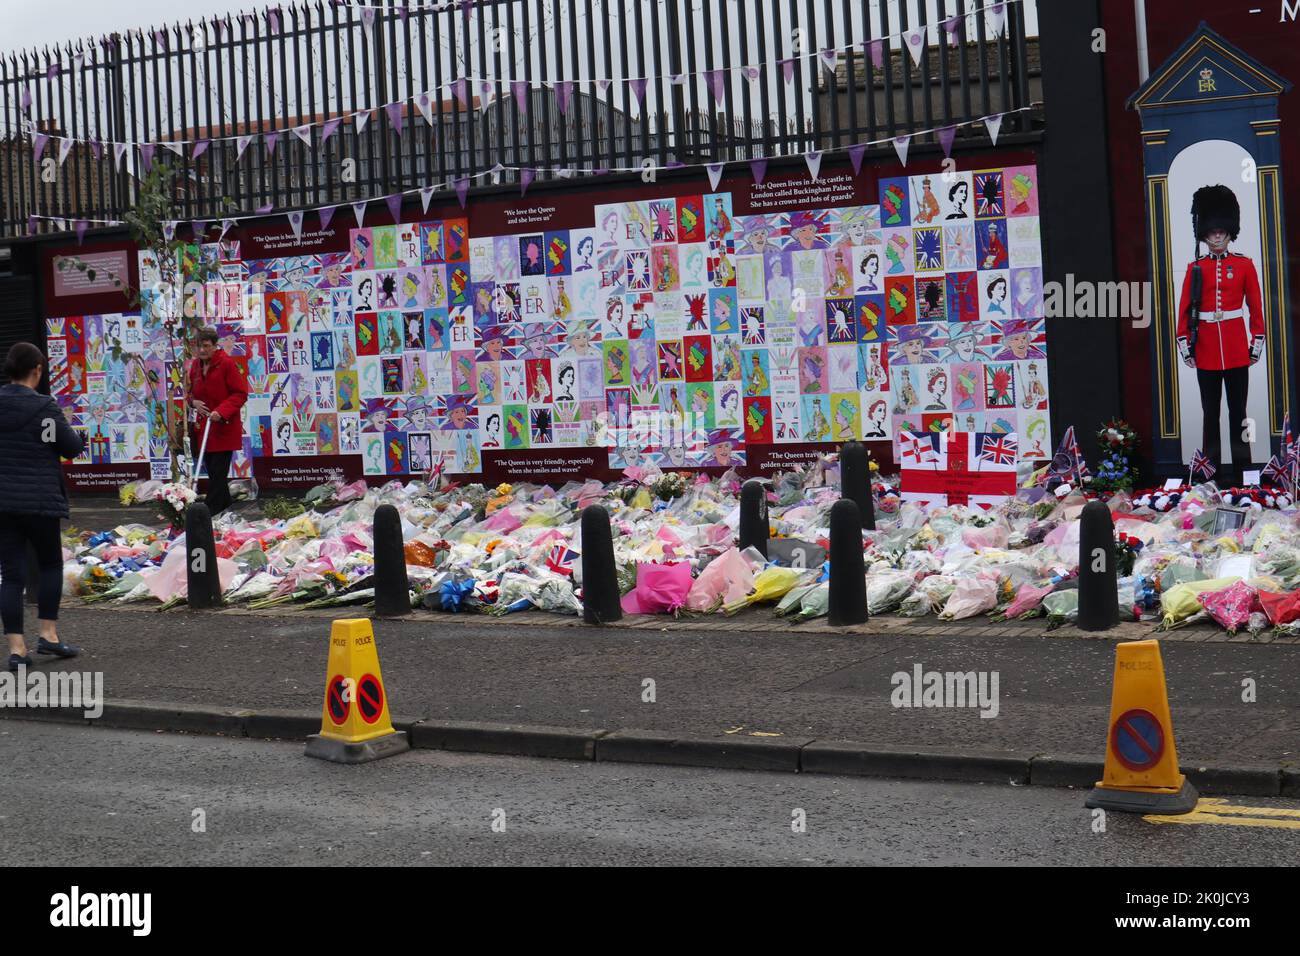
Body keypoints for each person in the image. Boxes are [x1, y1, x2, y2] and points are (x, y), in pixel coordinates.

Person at [0, 343, 85, 672]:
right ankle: (48, 635)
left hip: (4, 502)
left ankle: (17, 650)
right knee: (50, 565)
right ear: (37, 369)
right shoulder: (45, 407)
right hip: (39, 501)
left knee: (11, 575)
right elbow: (71, 447)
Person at [1177, 184, 1264, 486]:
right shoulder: (1195, 268)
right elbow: (1185, 310)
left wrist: (1257, 342)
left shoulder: (1243, 265)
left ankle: (1244, 473)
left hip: (1237, 348)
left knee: (1239, 414)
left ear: (1229, 232)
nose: (1216, 236)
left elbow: (1255, 307)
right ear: (1204, 234)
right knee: (1209, 415)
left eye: (1221, 231)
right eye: (1211, 232)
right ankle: (1210, 475)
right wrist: (1186, 347)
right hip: (1206, 351)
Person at [188, 327, 249, 517]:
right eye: (199, 346)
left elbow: (240, 393)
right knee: (214, 473)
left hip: (223, 428)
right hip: (203, 429)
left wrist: (221, 412)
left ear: (215, 346)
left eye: (206, 346)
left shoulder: (226, 364)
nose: (202, 350)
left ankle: (209, 511)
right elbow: (189, 393)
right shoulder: (196, 366)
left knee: (218, 471)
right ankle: (224, 507)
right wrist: (193, 402)